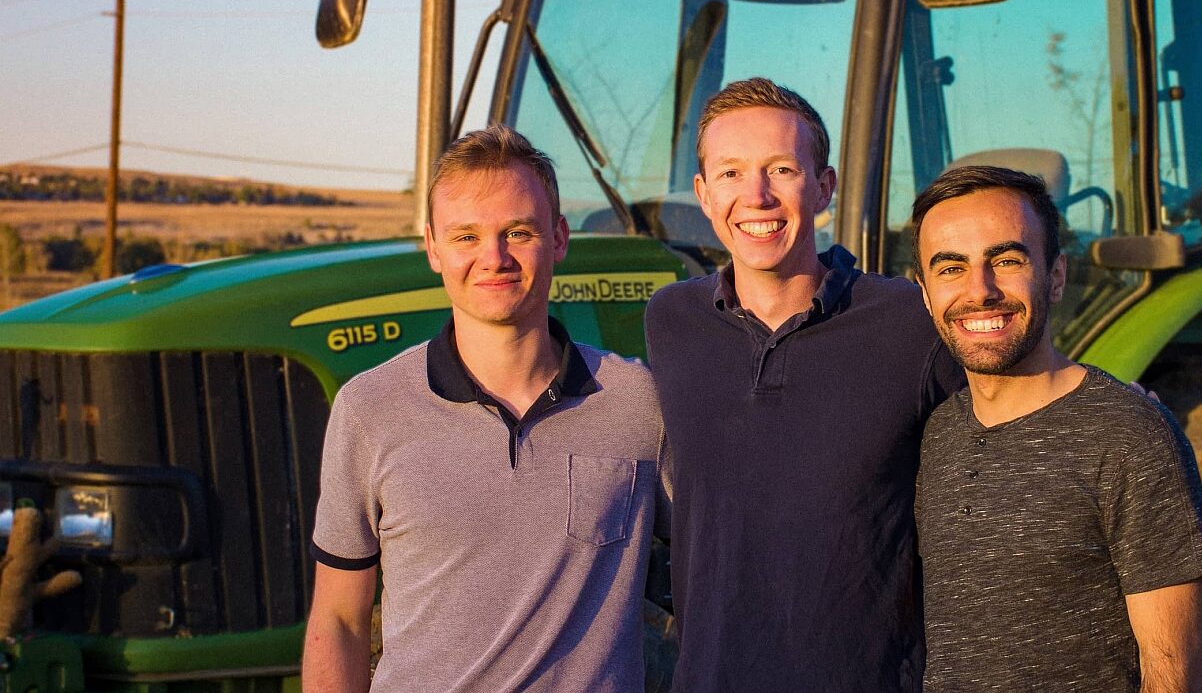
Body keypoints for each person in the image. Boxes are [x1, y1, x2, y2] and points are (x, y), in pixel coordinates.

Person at [302, 126, 667, 693]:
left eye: (517, 232)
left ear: (560, 238)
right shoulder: (369, 410)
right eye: (466, 236)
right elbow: (340, 621)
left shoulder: (638, 403)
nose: (493, 258)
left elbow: (730, 563)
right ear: (433, 247)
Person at [644, 78, 968, 693]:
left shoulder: (910, 321)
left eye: (782, 169)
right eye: (732, 173)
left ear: (824, 187)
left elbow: (1015, 421)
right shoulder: (671, 322)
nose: (756, 196)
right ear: (704, 194)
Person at [910, 165, 1202, 692]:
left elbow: (1172, 676)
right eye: (951, 268)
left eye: (1006, 260)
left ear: (1055, 276)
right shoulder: (938, 433)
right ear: (924, 292)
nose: (979, 291)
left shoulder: (1130, 436)